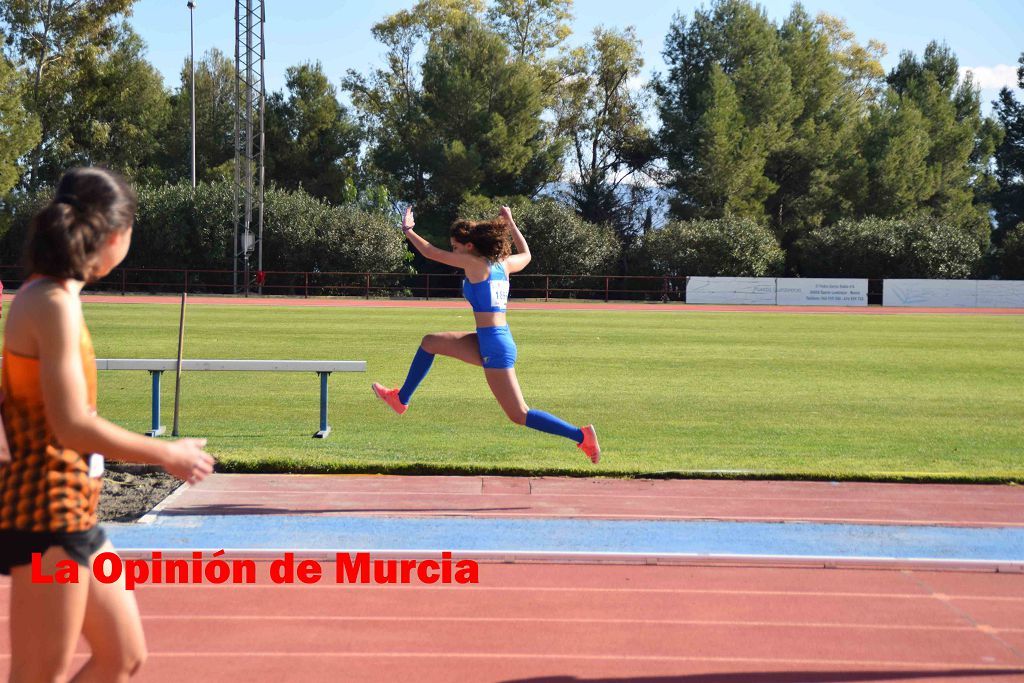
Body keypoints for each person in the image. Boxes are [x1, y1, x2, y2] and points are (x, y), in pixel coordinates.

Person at [0, 167, 215, 682]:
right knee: (38, 676)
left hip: (78, 515)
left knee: (123, 655)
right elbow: (73, 424)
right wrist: (167, 453)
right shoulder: (51, 303)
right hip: (47, 516)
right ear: (115, 235)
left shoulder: (53, 297)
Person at [372, 205, 600, 463]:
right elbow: (526, 254)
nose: (454, 252)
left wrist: (408, 230)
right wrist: (511, 223)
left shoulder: (474, 263)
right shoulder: (503, 264)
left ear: (469, 246)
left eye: (455, 246)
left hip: (495, 346)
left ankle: (581, 436)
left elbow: (430, 252)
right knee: (430, 342)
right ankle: (401, 399)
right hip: (491, 338)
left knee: (519, 414)